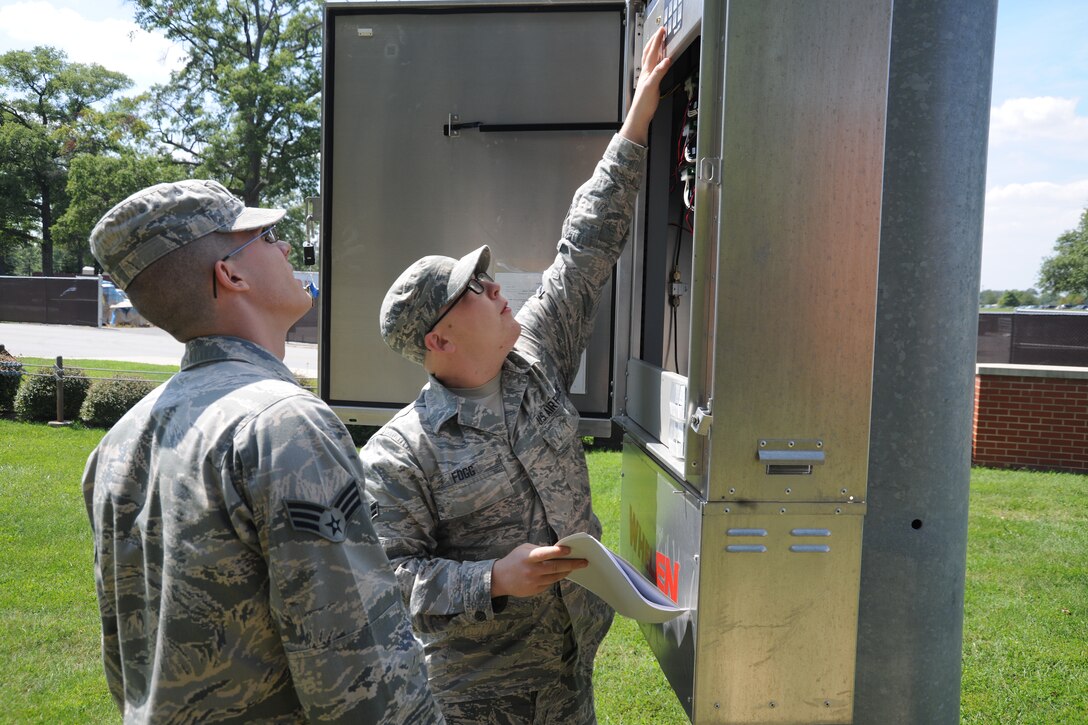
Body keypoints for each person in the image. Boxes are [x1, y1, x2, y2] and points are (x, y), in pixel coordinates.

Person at [360, 28, 671, 724]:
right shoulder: (399, 453)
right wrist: (493, 578)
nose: (497, 289)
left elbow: (584, 249)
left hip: (571, 673)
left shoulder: (535, 355)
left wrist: (637, 118)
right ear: (438, 337)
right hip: (481, 700)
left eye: (488, 278)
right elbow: (384, 581)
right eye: (474, 288)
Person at [83, 180, 444, 724]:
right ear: (230, 274)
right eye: (269, 236)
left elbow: (127, 662)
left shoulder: (116, 443)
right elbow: (358, 670)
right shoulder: (283, 422)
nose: (288, 248)